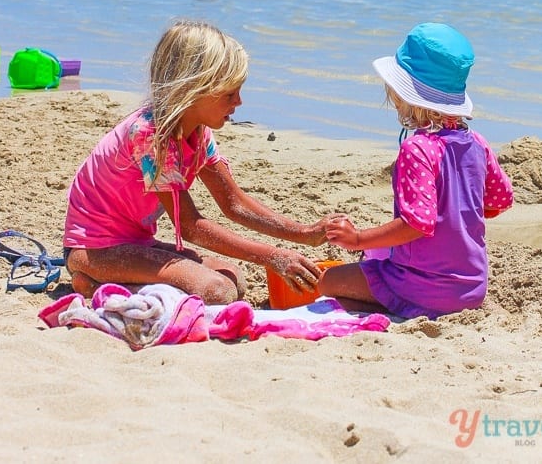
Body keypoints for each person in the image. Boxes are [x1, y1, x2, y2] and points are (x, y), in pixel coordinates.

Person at [64, 19, 336, 305]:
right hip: (96, 250)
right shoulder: (150, 137)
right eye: (230, 94)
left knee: (233, 279)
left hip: (137, 244)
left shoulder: (197, 131)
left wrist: (305, 233)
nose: (239, 102)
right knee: (218, 292)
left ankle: (118, 283)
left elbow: (234, 204)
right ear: (193, 91)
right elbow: (191, 227)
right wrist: (272, 256)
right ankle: (95, 285)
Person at [319, 23, 514, 319]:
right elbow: (499, 201)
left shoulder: (418, 148)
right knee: (378, 253)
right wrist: (455, 215)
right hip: (473, 288)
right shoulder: (477, 143)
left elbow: (417, 225)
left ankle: (386, 307)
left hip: (425, 288)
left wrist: (357, 238)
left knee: (328, 282)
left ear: (402, 92)